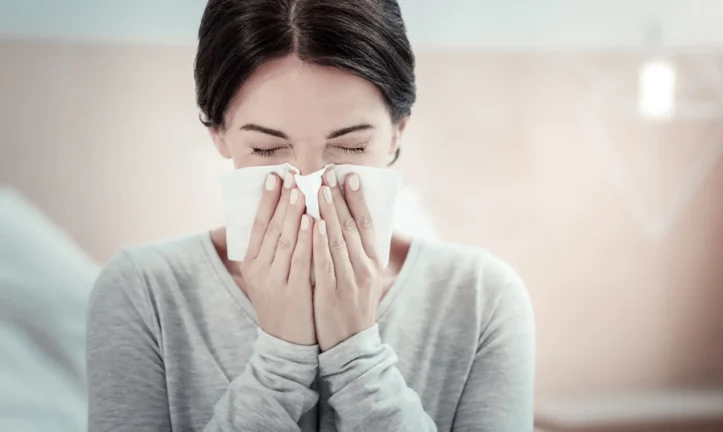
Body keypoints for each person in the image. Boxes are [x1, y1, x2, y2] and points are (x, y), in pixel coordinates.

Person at [86, 0, 535, 431]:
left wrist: (358, 357)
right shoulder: (142, 292)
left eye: (351, 147)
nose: (309, 182)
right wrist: (280, 362)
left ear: (398, 133)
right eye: (266, 149)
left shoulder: (481, 298)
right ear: (219, 134)